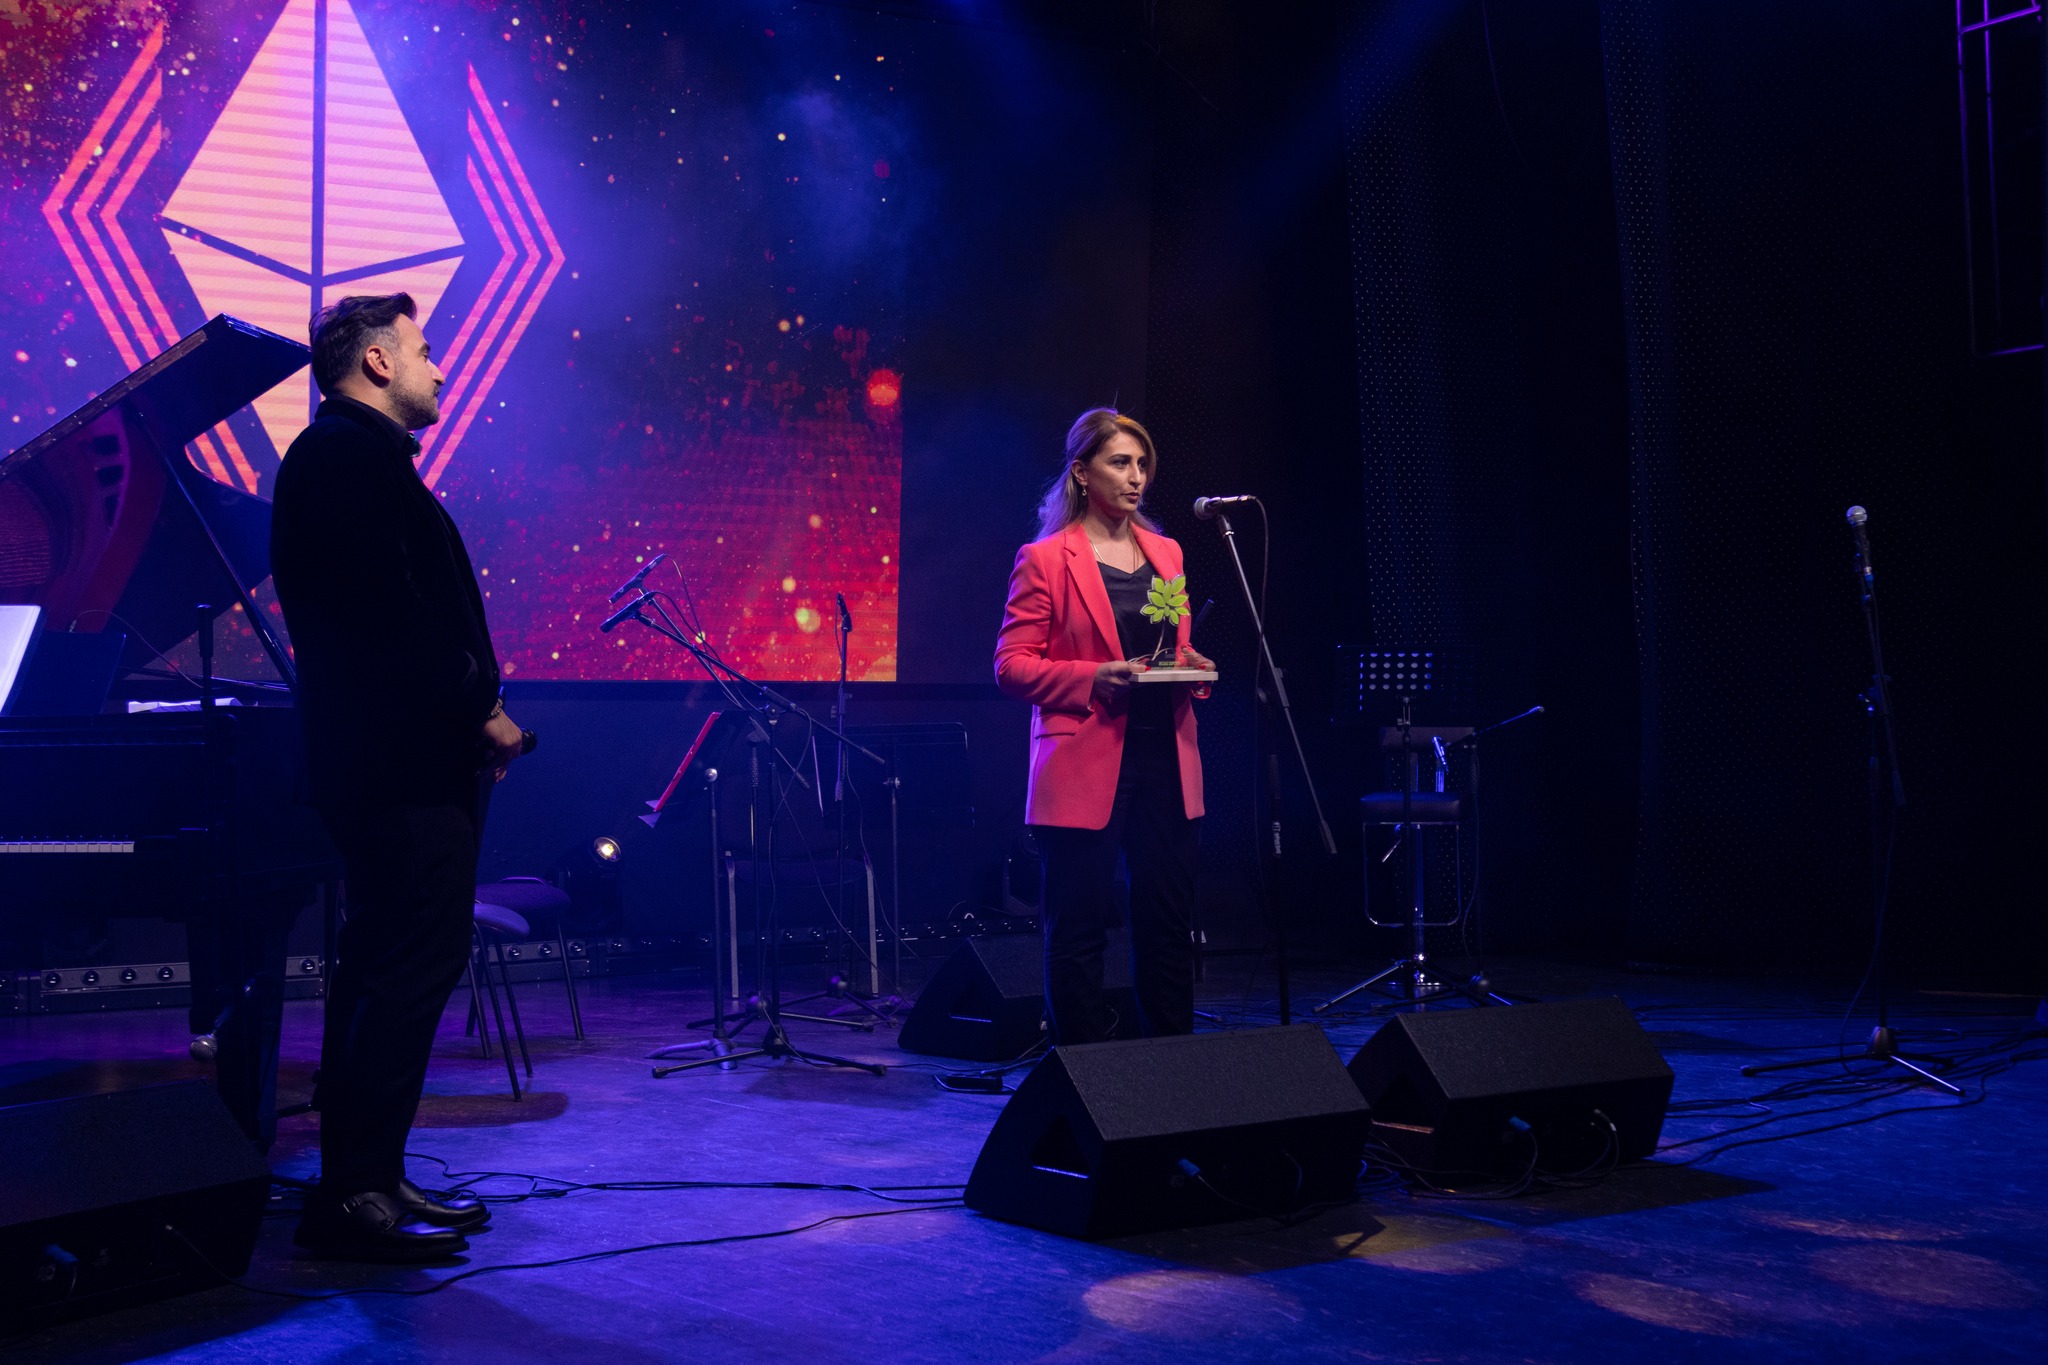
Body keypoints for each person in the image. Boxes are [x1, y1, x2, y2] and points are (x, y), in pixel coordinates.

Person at [271, 293, 524, 1262]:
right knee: (404, 968)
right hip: (399, 767)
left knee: (389, 967)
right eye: (423, 350)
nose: (439, 367)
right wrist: (480, 708)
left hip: (399, 761)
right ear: (376, 362)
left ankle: (369, 1176)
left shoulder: (354, 457)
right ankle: (355, 1197)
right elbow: (391, 616)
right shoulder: (345, 455)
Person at [994, 408, 1215, 1045]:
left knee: (1167, 925)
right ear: (1082, 473)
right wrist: (1093, 677)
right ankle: (1086, 1075)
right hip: (1083, 759)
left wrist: (1193, 669)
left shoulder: (1167, 553)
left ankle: (1171, 1069)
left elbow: (1171, 650)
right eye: (1120, 462)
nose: (1136, 476)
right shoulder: (1044, 559)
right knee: (1079, 928)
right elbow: (1011, 666)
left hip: (1166, 758)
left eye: (1143, 464)